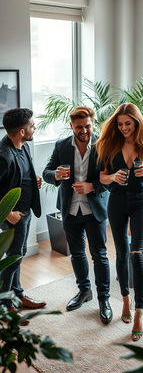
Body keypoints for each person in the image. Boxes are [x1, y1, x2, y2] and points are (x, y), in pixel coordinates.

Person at [43, 106, 112, 324]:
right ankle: (84, 291)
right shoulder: (61, 145)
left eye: (88, 126)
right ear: (71, 125)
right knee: (77, 253)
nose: (84, 131)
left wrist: (93, 186)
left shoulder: (104, 146)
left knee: (99, 255)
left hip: (94, 209)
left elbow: (111, 178)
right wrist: (56, 174)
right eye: (79, 127)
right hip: (70, 209)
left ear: (93, 123)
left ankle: (104, 299)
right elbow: (47, 172)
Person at [96, 102, 143, 341]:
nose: (123, 128)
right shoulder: (108, 144)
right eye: (120, 124)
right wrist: (113, 177)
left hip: (141, 201)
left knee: (137, 253)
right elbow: (102, 177)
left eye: (128, 124)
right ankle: (124, 300)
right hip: (117, 201)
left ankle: (139, 312)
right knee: (121, 253)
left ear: (137, 122)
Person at [0, 108, 46, 326]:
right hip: (13, 215)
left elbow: (22, 174)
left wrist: (33, 179)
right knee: (12, 257)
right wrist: (8, 213)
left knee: (19, 253)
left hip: (26, 211)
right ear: (21, 131)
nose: (34, 127)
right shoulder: (3, 155)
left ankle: (17, 294)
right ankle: (5, 304)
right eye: (31, 125)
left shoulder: (23, 146)